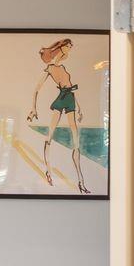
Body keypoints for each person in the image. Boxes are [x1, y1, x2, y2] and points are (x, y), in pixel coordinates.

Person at [28, 37, 87, 193]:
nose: (70, 48)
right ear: (62, 47)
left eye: (71, 46)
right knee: (50, 135)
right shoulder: (50, 68)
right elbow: (36, 89)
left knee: (76, 140)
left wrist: (79, 107)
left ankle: (81, 181)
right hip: (61, 99)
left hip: (70, 99)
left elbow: (71, 88)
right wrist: (33, 108)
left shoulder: (63, 66)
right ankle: (48, 171)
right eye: (69, 46)